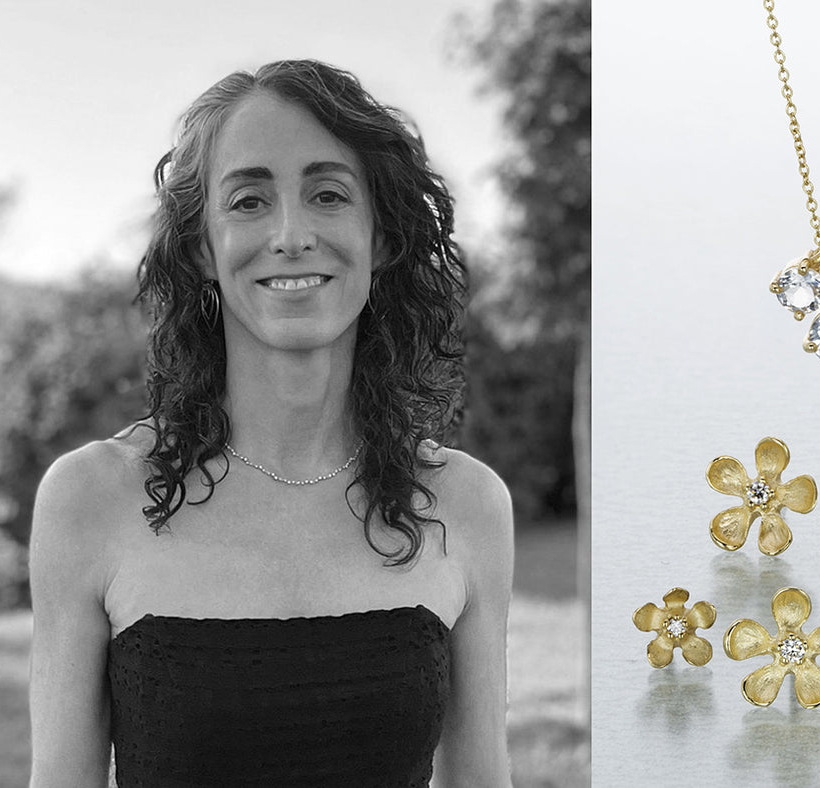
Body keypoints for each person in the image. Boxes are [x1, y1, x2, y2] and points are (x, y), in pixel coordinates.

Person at [26, 60, 513, 787]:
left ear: (380, 237)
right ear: (201, 248)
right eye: (249, 201)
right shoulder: (89, 500)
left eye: (327, 194)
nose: (291, 234)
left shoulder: (467, 505)